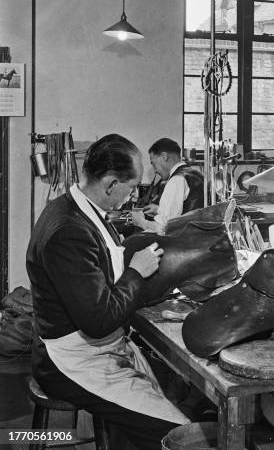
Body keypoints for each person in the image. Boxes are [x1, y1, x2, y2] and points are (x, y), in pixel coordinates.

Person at [26, 134, 190, 450]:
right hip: (71, 358)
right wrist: (135, 273)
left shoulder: (80, 208)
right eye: (130, 189)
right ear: (111, 184)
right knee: (177, 434)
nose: (131, 198)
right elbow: (98, 321)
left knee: (160, 398)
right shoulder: (68, 231)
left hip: (94, 345)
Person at [130, 138, 204, 234]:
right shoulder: (196, 174)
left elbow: (162, 229)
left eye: (153, 164)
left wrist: (141, 222)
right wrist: (159, 210)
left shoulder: (177, 180)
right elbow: (189, 210)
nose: (155, 171)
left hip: (184, 242)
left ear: (164, 157)